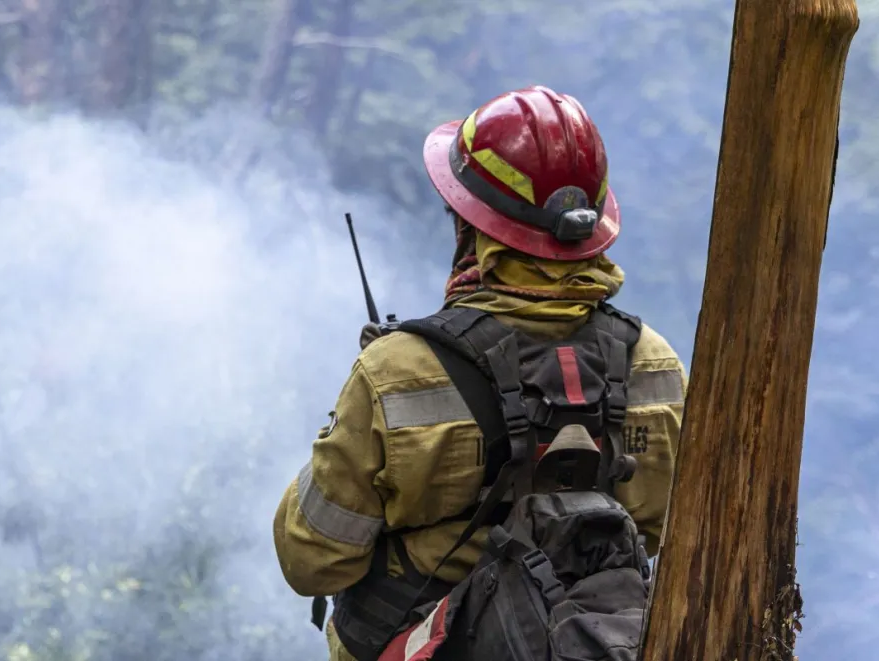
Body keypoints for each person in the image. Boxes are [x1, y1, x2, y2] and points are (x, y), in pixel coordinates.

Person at [273, 85, 687, 661]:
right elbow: (657, 530)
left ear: (475, 230)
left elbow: (314, 560)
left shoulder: (396, 372)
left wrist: (364, 408)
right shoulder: (655, 362)